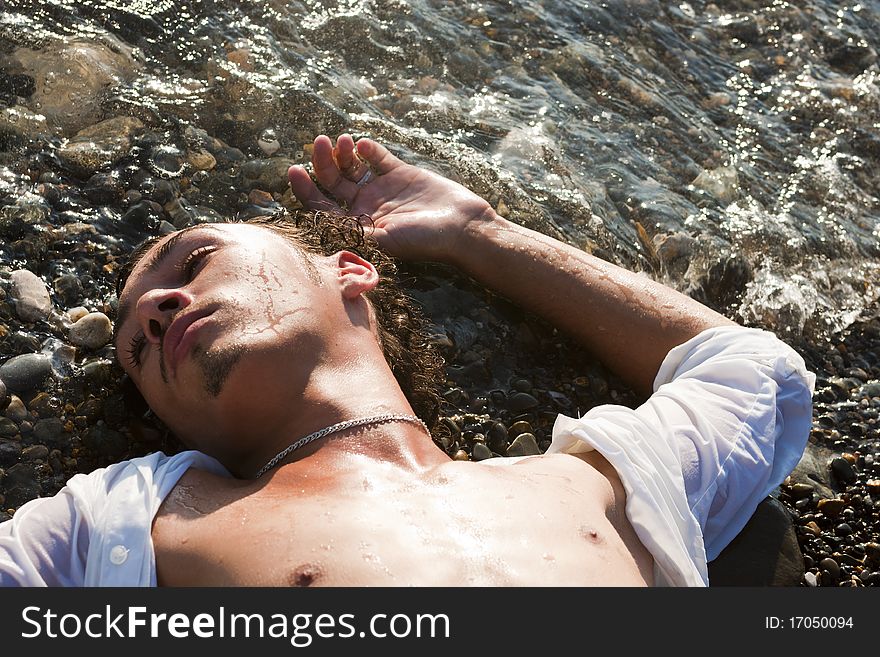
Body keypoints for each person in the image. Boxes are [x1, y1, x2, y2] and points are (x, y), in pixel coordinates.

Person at [0, 133, 814, 587]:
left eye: (193, 261)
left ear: (349, 271)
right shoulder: (128, 523)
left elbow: (754, 370)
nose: (151, 312)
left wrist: (478, 234)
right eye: (135, 345)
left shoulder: (591, 479)